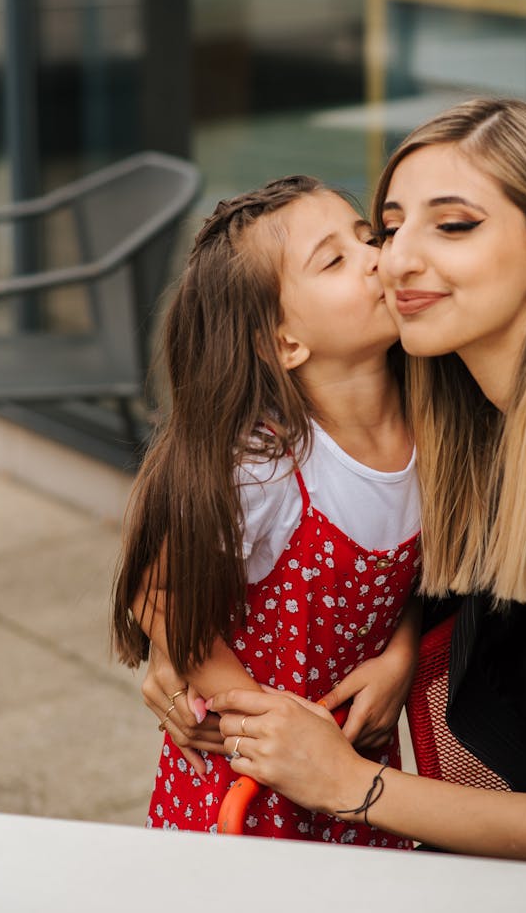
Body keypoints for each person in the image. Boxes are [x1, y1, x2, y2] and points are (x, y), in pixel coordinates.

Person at [199, 98, 526, 878]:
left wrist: (353, 786)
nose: (393, 260)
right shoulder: (476, 415)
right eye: (388, 226)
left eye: (452, 226)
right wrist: (184, 659)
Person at [112, 175, 421, 844]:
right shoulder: (263, 467)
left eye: (368, 238)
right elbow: (155, 588)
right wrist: (254, 715)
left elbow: (442, 576)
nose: (377, 257)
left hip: (361, 775)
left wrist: (403, 652)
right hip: (249, 789)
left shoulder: (436, 421)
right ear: (284, 343)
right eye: (335, 260)